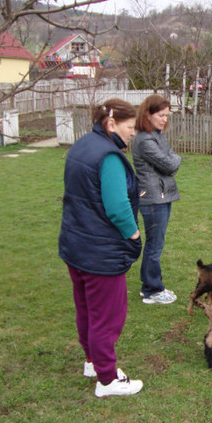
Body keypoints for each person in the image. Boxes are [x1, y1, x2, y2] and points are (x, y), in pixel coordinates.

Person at [59, 98, 144, 397]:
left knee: (86, 310)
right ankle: (107, 379)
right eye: (130, 127)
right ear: (111, 125)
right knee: (107, 317)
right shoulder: (108, 157)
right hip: (100, 253)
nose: (133, 133)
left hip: (76, 246)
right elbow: (118, 208)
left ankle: (92, 361)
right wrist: (134, 235)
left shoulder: (82, 145)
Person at [133, 94, 181, 304]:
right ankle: (153, 290)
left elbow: (171, 157)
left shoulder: (157, 135)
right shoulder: (145, 140)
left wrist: (172, 158)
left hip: (162, 195)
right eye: (160, 115)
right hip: (152, 199)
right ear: (148, 114)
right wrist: (173, 159)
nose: (164, 119)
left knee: (155, 244)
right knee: (154, 245)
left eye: (166, 116)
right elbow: (170, 164)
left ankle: (148, 286)